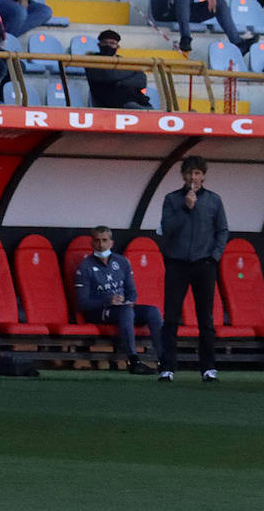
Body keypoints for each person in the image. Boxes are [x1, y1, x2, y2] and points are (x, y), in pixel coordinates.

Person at [157, 156, 228, 383]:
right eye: (189, 173)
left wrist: (214, 257)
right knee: (171, 317)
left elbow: (222, 230)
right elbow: (167, 228)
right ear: (183, 176)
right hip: (177, 263)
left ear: (203, 176)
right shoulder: (171, 199)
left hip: (204, 264)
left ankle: (208, 368)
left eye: (197, 173)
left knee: (205, 318)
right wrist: (186, 209)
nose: (193, 178)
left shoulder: (214, 201)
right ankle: (167, 367)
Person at [73, 226, 162, 373]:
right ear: (92, 243)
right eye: (97, 241)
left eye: (104, 240)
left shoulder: (122, 262)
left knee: (153, 312)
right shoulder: (85, 266)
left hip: (122, 307)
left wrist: (128, 300)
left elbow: (132, 292)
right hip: (99, 310)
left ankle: (165, 360)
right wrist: (108, 301)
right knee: (126, 312)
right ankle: (134, 361)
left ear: (111, 243)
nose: (101, 244)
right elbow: (82, 303)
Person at [85, 29, 152, 108]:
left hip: (137, 99)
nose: (108, 45)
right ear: (99, 45)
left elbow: (142, 80)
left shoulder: (124, 60)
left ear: (118, 46)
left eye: (112, 43)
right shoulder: (91, 60)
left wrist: (120, 82)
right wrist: (133, 71)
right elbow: (109, 75)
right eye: (105, 43)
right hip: (111, 101)